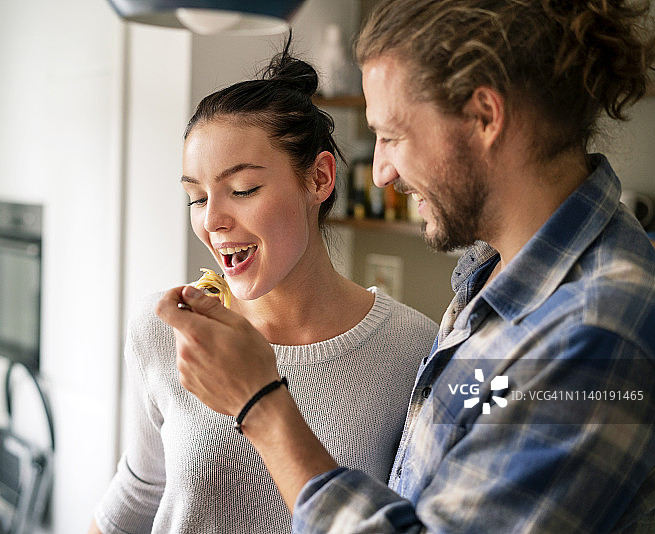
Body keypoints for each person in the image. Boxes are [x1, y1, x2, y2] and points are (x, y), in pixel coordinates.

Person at [156, 0, 655, 532]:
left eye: (392, 136)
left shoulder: (594, 330)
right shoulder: (495, 278)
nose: (380, 173)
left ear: (484, 116)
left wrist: (261, 405)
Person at [88, 40, 437, 534]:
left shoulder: (414, 350)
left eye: (243, 190)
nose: (212, 220)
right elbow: (140, 491)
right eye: (196, 197)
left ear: (318, 179)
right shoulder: (166, 328)